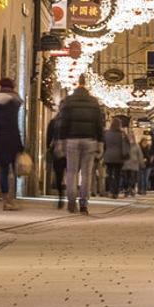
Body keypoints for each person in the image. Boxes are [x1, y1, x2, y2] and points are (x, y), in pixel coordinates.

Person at [57, 75, 105, 214]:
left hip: (72, 140)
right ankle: (83, 202)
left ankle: (71, 201)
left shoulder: (69, 101)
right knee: (86, 173)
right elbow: (99, 124)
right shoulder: (93, 102)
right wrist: (100, 142)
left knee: (71, 172)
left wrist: (61, 141)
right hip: (89, 141)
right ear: (86, 85)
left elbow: (63, 123)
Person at [0, 77, 24, 211]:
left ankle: (5, 199)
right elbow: (14, 123)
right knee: (14, 169)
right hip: (12, 137)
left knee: (3, 170)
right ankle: (11, 199)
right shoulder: (13, 102)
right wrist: (20, 144)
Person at [46, 104, 68, 209]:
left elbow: (48, 138)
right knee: (71, 174)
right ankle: (71, 196)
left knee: (58, 175)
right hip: (69, 151)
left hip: (57, 151)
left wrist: (49, 148)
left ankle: (60, 197)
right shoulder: (70, 123)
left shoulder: (53, 122)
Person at [103, 116, 127, 198]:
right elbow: (127, 145)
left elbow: (104, 145)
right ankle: (115, 192)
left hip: (108, 156)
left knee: (109, 174)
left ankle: (110, 190)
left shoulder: (106, 133)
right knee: (117, 175)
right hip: (119, 157)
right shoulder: (122, 134)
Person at [124, 130, 144, 195]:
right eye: (129, 136)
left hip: (134, 165)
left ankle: (132, 189)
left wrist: (141, 163)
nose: (130, 138)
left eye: (131, 136)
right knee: (126, 178)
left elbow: (140, 155)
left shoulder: (136, 145)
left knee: (133, 178)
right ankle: (127, 189)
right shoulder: (125, 145)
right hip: (126, 164)